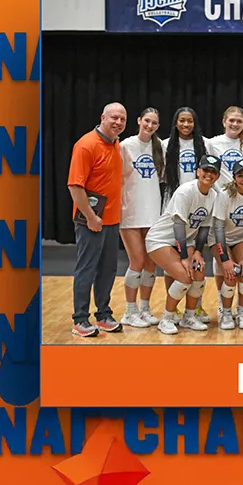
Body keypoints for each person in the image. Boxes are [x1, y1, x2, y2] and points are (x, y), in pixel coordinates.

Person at [66, 102, 128, 338]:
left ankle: (103, 315)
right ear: (103, 117)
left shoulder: (115, 144)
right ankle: (80, 319)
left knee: (108, 269)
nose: (118, 122)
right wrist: (91, 217)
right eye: (114, 117)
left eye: (122, 119)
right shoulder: (85, 145)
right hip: (90, 221)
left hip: (111, 221)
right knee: (87, 268)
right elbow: (75, 186)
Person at [146, 155, 222, 335]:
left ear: (218, 176)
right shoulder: (185, 191)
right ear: (198, 171)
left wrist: (197, 253)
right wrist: (184, 258)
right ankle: (166, 318)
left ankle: (189, 316)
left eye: (213, 171)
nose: (209, 174)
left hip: (185, 241)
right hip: (160, 239)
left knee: (199, 274)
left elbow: (204, 227)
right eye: (206, 170)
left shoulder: (213, 196)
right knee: (184, 277)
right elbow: (179, 225)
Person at [161, 107, 211, 323]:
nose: (186, 125)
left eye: (190, 121)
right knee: (174, 260)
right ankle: (173, 308)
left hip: (197, 207)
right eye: (182, 120)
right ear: (175, 122)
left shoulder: (205, 144)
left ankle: (195, 307)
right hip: (174, 204)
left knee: (195, 259)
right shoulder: (165, 145)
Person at [118, 107, 164, 329]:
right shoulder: (125, 146)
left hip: (152, 212)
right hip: (130, 212)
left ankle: (144, 308)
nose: (150, 126)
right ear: (139, 121)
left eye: (154, 123)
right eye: (147, 121)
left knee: (150, 263)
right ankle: (130, 310)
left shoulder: (160, 147)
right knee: (136, 261)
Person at [210, 159, 243, 331]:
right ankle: (226, 312)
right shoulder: (224, 195)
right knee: (231, 275)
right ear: (234, 178)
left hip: (241, 238)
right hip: (220, 238)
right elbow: (218, 228)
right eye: (240, 176)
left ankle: (242, 312)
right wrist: (225, 259)